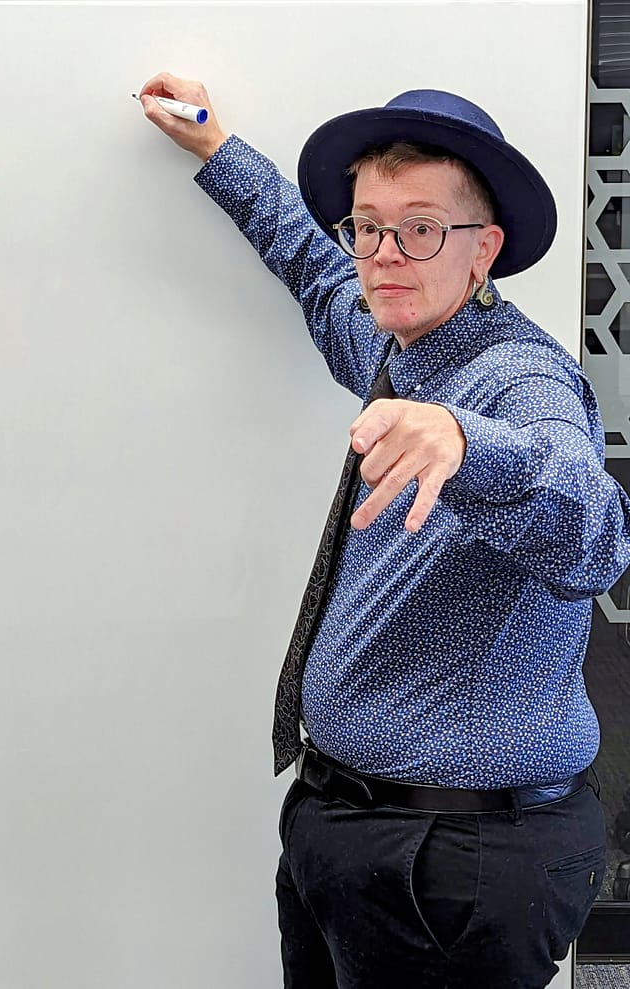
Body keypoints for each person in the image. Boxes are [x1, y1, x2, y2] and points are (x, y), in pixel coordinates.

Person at [136, 72, 630, 989]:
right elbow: (313, 269)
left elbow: (597, 536)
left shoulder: (519, 381)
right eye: (369, 225)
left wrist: (467, 444)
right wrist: (215, 147)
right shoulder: (396, 345)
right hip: (353, 835)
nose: (385, 253)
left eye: (421, 228)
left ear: (484, 251)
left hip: (454, 866)